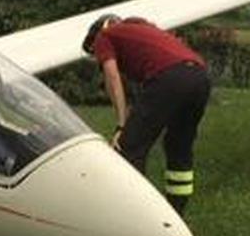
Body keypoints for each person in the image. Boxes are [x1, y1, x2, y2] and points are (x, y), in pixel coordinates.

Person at [83, 14, 211, 213]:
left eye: (95, 55)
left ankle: (137, 214)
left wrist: (121, 124)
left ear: (96, 35)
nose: (98, 58)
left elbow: (112, 77)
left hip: (169, 77)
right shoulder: (144, 29)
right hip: (199, 76)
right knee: (179, 147)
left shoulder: (105, 36)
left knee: (129, 148)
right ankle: (176, 214)